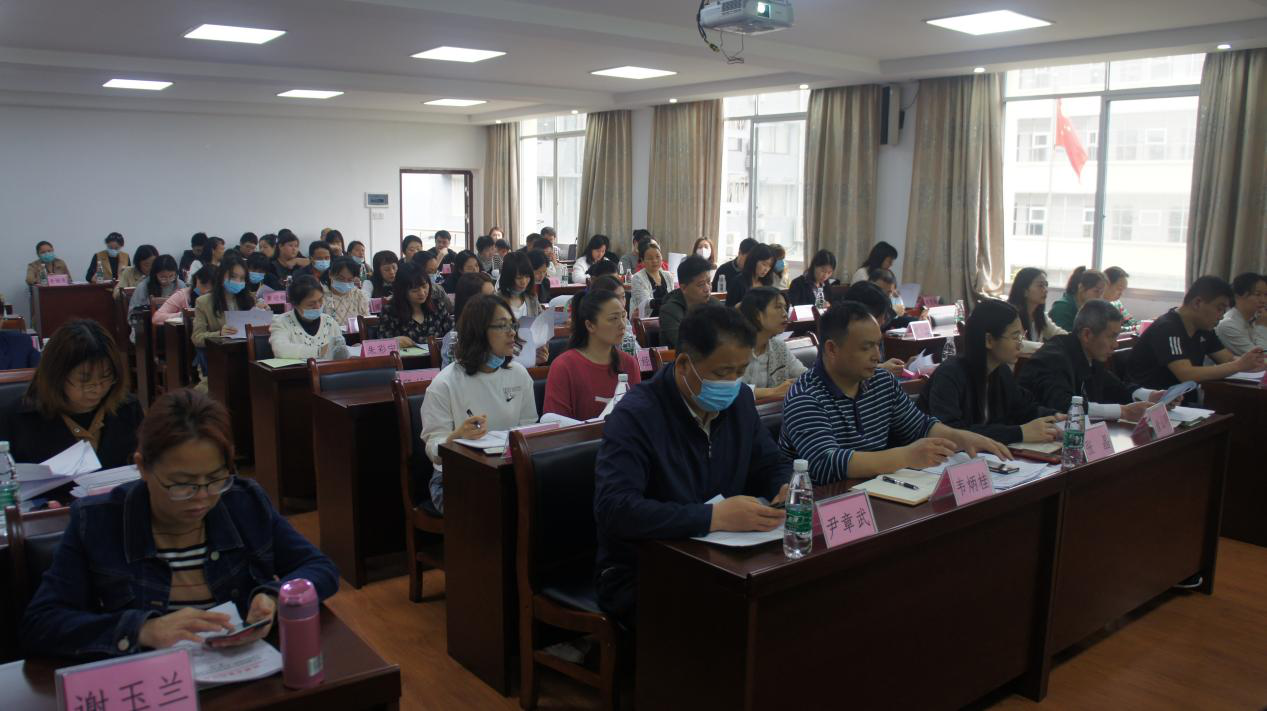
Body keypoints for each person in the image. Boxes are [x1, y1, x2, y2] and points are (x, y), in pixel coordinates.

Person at [20, 388, 338, 659]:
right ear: (143, 467)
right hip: (151, 685)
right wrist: (143, 629)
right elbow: (41, 623)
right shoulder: (97, 522)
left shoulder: (244, 502)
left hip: (240, 675)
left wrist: (274, 596)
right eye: (182, 485)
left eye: (215, 479)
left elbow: (320, 568)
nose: (201, 498)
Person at [593, 305, 791, 624]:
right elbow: (615, 509)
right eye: (722, 373)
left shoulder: (740, 401)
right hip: (644, 567)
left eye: (740, 371)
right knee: (734, 617)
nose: (732, 383)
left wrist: (783, 485)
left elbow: (770, 462)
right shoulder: (636, 415)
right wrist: (712, 517)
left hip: (723, 558)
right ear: (684, 364)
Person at [779, 301, 1012, 484]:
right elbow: (825, 463)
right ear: (832, 349)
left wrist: (963, 437)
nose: (877, 356)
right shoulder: (805, 395)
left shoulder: (882, 381)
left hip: (878, 489)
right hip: (821, 504)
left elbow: (920, 427)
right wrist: (906, 456)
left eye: (877, 345)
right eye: (866, 347)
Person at [421, 294, 538, 512]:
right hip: (454, 478)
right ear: (478, 332)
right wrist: (456, 437)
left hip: (508, 470)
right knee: (498, 509)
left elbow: (529, 428)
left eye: (512, 325)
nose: (512, 332)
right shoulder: (445, 383)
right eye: (502, 326)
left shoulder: (519, 374)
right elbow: (433, 447)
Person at [917, 299, 1062, 445]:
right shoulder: (950, 374)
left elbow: (1024, 408)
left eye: (1021, 336)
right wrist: (1019, 433)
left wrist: (1055, 417)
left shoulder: (1001, 371)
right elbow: (952, 433)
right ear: (989, 340)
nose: (1021, 345)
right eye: (1015, 337)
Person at [7, 319, 143, 468]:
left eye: (106, 377)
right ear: (57, 375)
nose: (98, 389)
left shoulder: (127, 408)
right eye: (85, 380)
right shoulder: (20, 418)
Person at [1019, 299, 1164, 420]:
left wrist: (1151, 396)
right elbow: (1064, 406)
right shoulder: (1053, 358)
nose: (1115, 345)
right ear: (1087, 335)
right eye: (1111, 336)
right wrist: (1122, 412)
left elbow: (1117, 388)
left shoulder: (1089, 355)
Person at [1126, 275, 1266, 391]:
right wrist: (1239, 365)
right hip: (1151, 402)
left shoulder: (1204, 328)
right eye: (1219, 308)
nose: (1222, 316)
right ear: (1197, 303)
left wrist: (1253, 363)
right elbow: (1186, 374)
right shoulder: (1168, 327)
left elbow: (1228, 359)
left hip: (1183, 399)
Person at [543, 289, 642, 420]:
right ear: (590, 325)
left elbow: (637, 417)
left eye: (623, 316)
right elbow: (556, 425)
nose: (622, 325)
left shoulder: (629, 363)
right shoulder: (564, 366)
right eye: (613, 318)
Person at [738, 287, 806, 400]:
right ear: (757, 314)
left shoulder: (779, 347)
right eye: (778, 307)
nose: (785, 314)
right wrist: (773, 392)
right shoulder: (734, 348)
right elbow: (729, 389)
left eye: (785, 308)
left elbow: (805, 376)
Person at [192, 256, 264, 356]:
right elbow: (197, 338)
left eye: (242, 278)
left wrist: (263, 315)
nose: (238, 281)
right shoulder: (204, 302)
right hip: (220, 356)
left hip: (247, 352)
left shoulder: (250, 299)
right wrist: (220, 334)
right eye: (233, 276)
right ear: (221, 276)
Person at [378, 263, 454, 350]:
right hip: (406, 358)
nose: (422, 293)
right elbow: (380, 345)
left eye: (424, 286)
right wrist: (394, 342)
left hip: (438, 357)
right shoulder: (390, 311)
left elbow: (452, 334)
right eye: (415, 290)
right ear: (402, 291)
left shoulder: (437, 305)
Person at [841, 281, 910, 376]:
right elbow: (845, 370)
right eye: (865, 347)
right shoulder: (844, 336)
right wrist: (881, 368)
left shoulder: (874, 334)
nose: (883, 321)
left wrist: (906, 367)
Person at [269, 276, 346, 360]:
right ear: (295, 305)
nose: (318, 306)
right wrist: (319, 351)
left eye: (320, 300)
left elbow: (340, 351)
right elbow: (280, 349)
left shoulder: (329, 321)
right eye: (311, 304)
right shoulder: (281, 322)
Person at [661, 255, 720, 349]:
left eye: (709, 282)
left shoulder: (714, 304)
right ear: (684, 288)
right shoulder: (670, 311)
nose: (707, 289)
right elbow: (684, 345)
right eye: (701, 284)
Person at [440, 272, 496, 368]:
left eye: (494, 295)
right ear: (469, 303)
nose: (495, 302)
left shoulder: (499, 329)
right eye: (487, 298)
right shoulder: (453, 339)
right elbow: (452, 374)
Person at [1008, 267, 1066, 353]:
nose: (1045, 290)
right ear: (1024, 291)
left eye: (1046, 285)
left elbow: (1059, 334)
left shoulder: (1040, 316)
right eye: (1040, 286)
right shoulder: (1010, 315)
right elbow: (1018, 344)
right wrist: (1046, 347)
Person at [1216, 272, 1267, 356]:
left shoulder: (1256, 319)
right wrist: (1262, 326)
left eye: (1266, 295)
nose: (1263, 300)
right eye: (1258, 294)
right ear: (1238, 295)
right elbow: (1261, 358)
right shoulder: (1228, 325)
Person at [1049, 267, 1107, 332]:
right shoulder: (1061, 307)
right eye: (1096, 291)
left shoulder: (1087, 308)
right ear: (1081, 287)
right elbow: (1063, 337)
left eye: (1102, 293)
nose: (1099, 297)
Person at [629, 240, 673, 318]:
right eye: (649, 258)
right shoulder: (637, 278)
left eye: (658, 256)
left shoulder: (668, 276)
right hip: (646, 320)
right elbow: (645, 302)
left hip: (667, 317)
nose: (654, 261)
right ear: (642, 261)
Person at [323, 256, 371, 326]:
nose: (345, 282)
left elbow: (367, 322)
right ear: (330, 274)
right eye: (340, 278)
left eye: (350, 280)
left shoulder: (359, 295)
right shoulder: (321, 296)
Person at [725, 243, 775, 307]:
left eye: (770, 266)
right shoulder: (738, 282)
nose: (767, 269)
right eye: (764, 264)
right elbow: (729, 309)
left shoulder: (767, 282)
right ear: (754, 261)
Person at [497, 251, 542, 319]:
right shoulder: (497, 300)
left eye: (527, 276)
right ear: (508, 277)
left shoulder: (531, 297)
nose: (524, 282)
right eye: (519, 278)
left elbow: (541, 319)